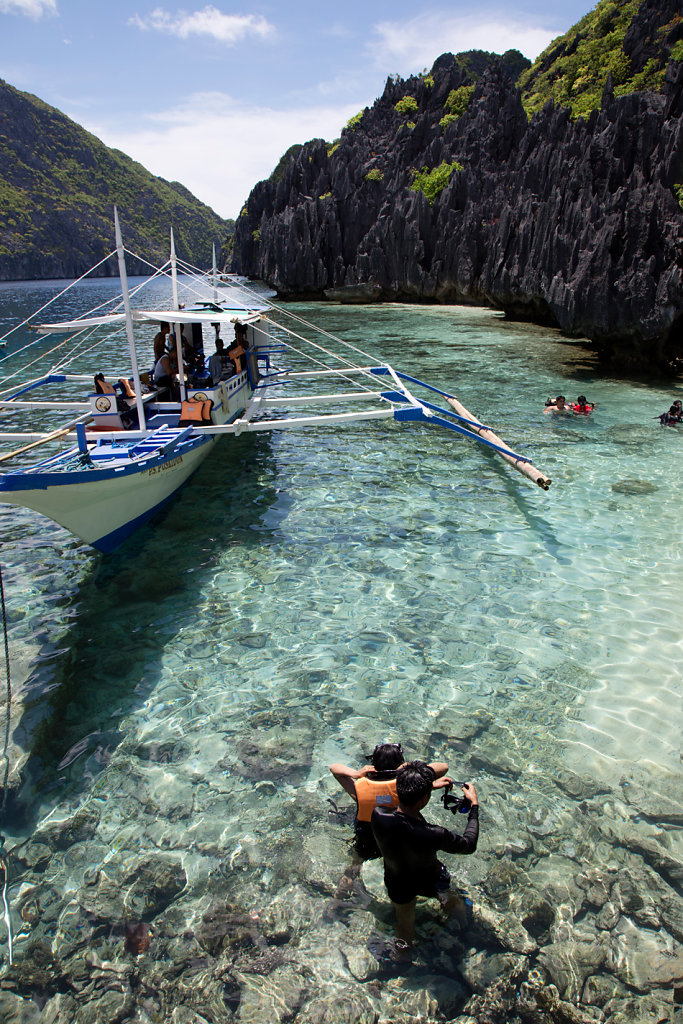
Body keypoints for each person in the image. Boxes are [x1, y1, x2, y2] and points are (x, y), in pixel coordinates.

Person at [371, 760, 479, 948]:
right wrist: (474, 807)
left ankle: (403, 957)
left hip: (397, 882)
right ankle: (464, 934)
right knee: (455, 905)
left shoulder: (378, 814)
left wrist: (428, 787)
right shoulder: (434, 834)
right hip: (431, 880)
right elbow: (468, 845)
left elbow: (392, 800)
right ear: (423, 800)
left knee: (404, 924)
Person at [328, 744, 449, 898]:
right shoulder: (406, 788)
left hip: (369, 839)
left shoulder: (359, 790)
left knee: (354, 868)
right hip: (400, 840)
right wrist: (410, 769)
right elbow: (443, 767)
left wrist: (356, 773)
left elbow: (334, 768)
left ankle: (338, 900)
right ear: (401, 766)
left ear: (373, 766)